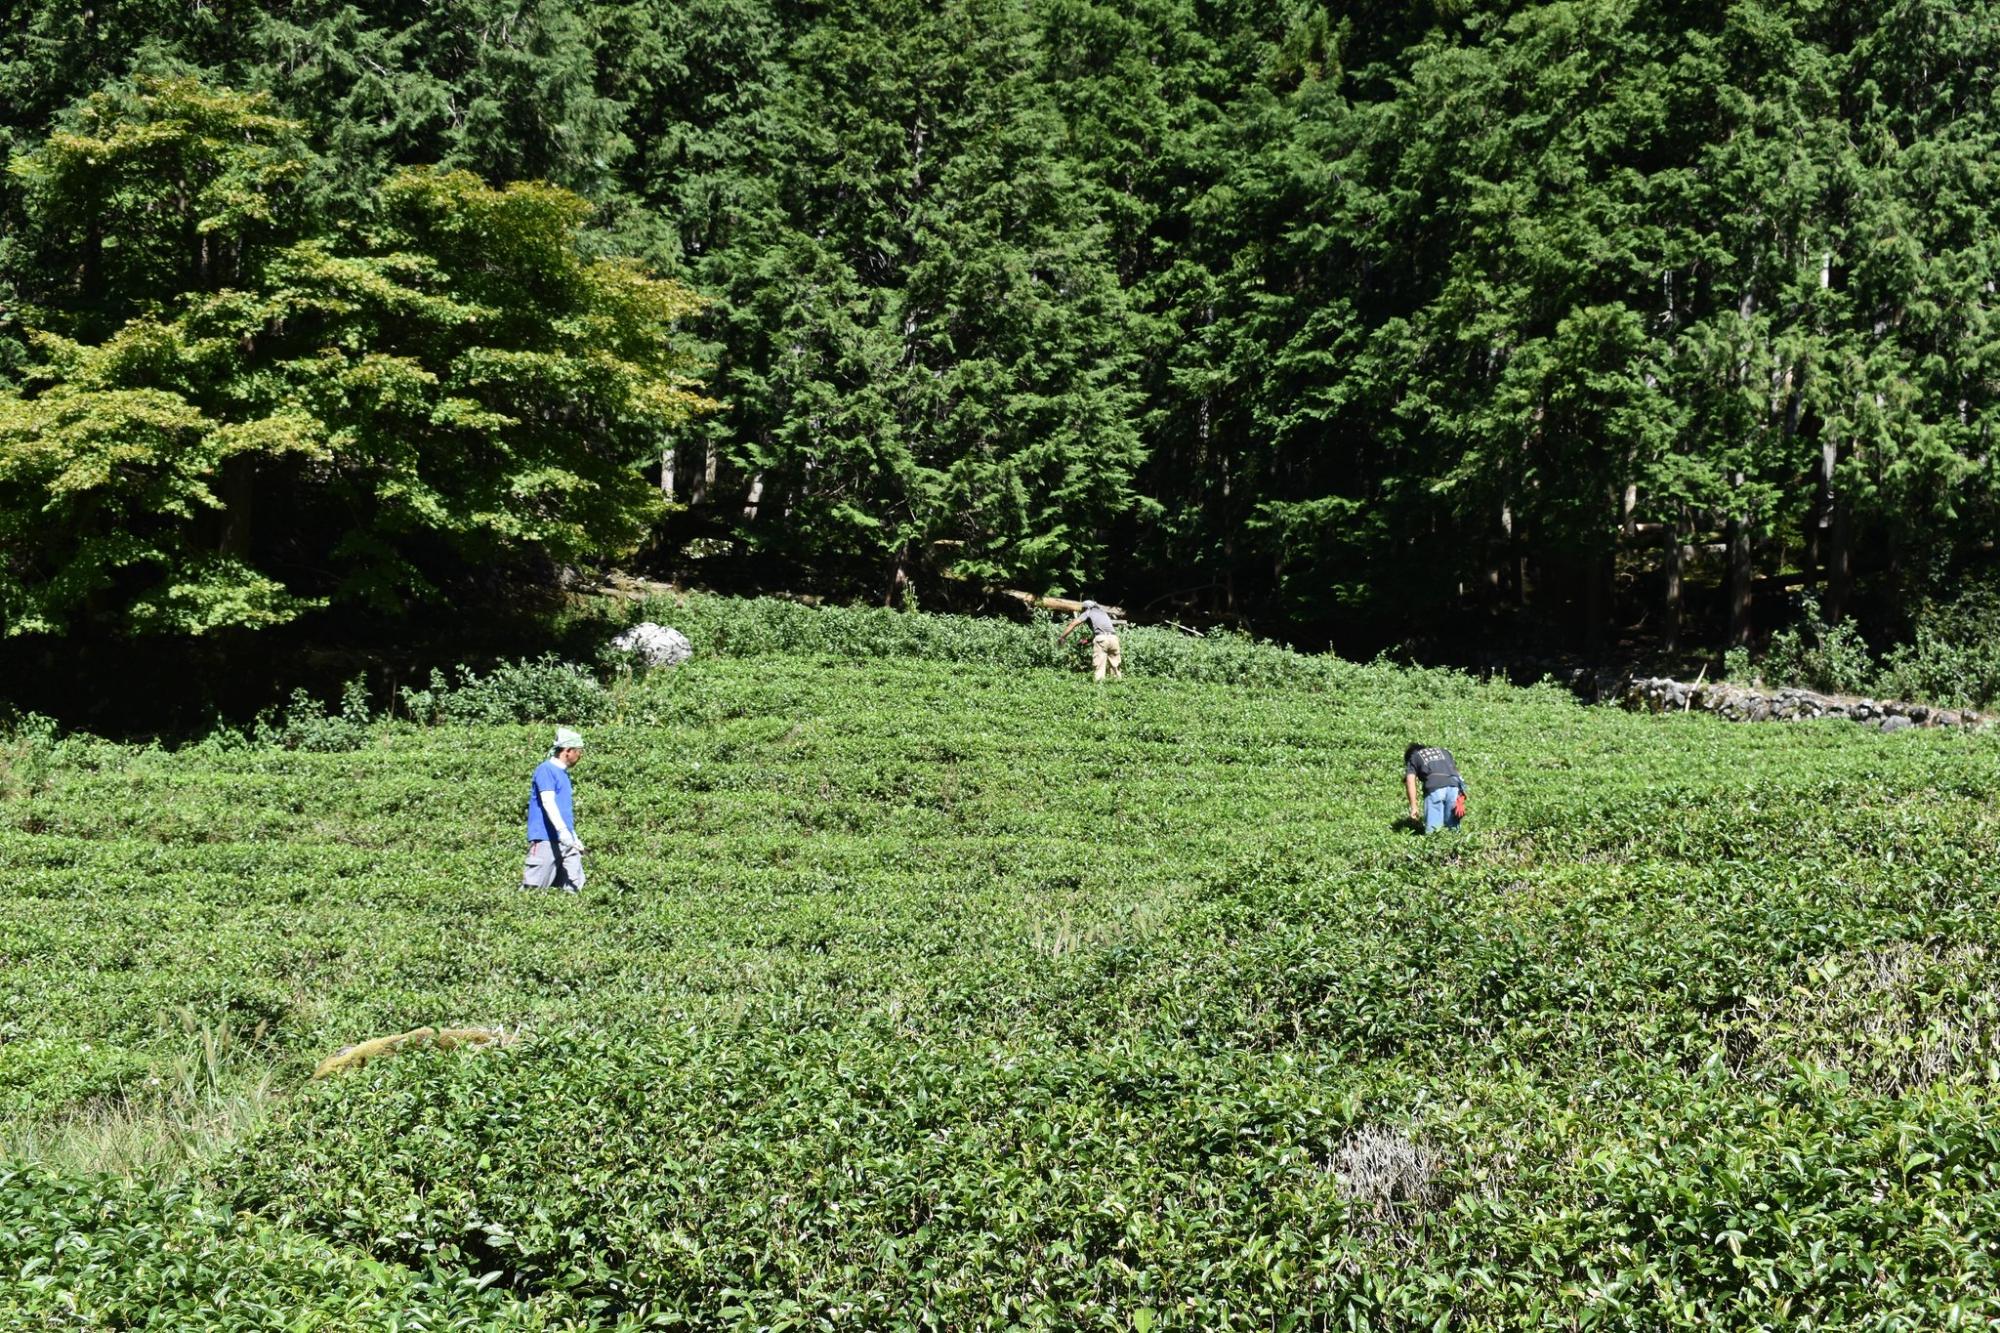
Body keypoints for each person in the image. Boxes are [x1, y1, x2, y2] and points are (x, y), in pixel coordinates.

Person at [522, 727, 587, 891]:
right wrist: (563, 831)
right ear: (567, 751)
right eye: (578, 751)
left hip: (566, 840)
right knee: (534, 888)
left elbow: (563, 809)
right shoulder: (546, 770)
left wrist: (572, 836)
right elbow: (548, 802)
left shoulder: (564, 774)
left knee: (574, 883)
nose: (580, 756)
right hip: (545, 838)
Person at [1056, 599, 1124, 682]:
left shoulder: (1088, 612)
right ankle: (1117, 684)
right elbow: (1103, 633)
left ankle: (1099, 686)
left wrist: (1062, 637)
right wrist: (1086, 641)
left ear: (1086, 608)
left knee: (1099, 665)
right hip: (1114, 638)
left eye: (1083, 609)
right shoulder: (1103, 613)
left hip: (1101, 639)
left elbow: (1073, 624)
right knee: (1115, 665)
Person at [1404, 743, 1465, 833]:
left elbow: (1410, 780)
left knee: (1434, 831)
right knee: (1453, 830)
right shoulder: (1444, 752)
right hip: (1454, 787)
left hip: (1434, 788)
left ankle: (1434, 844)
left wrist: (1414, 806)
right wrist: (1461, 794)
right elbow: (1455, 772)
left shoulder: (1414, 757)